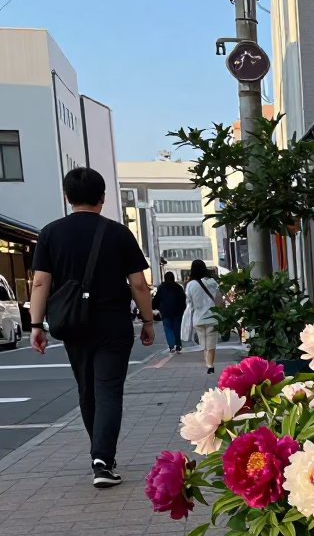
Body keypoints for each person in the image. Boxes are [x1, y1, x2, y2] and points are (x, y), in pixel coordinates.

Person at [29, 167, 155, 489]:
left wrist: (35, 324)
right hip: (113, 324)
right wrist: (148, 320)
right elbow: (138, 283)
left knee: (87, 390)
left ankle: (99, 456)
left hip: (73, 324)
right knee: (109, 391)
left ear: (68, 197)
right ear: (102, 197)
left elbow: (41, 281)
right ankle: (103, 459)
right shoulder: (118, 233)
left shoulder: (50, 233)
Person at [185, 259, 223, 374]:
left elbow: (189, 302)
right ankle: (210, 364)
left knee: (203, 343)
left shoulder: (190, 284)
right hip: (212, 316)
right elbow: (219, 300)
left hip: (198, 318)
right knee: (211, 343)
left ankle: (208, 363)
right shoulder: (212, 283)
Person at [153, 270, 186, 353]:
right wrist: (183, 309)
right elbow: (183, 299)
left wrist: (155, 307)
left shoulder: (162, 287)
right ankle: (178, 345)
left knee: (168, 329)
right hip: (177, 312)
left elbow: (156, 299)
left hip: (165, 312)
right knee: (177, 328)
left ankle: (172, 346)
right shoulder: (178, 287)